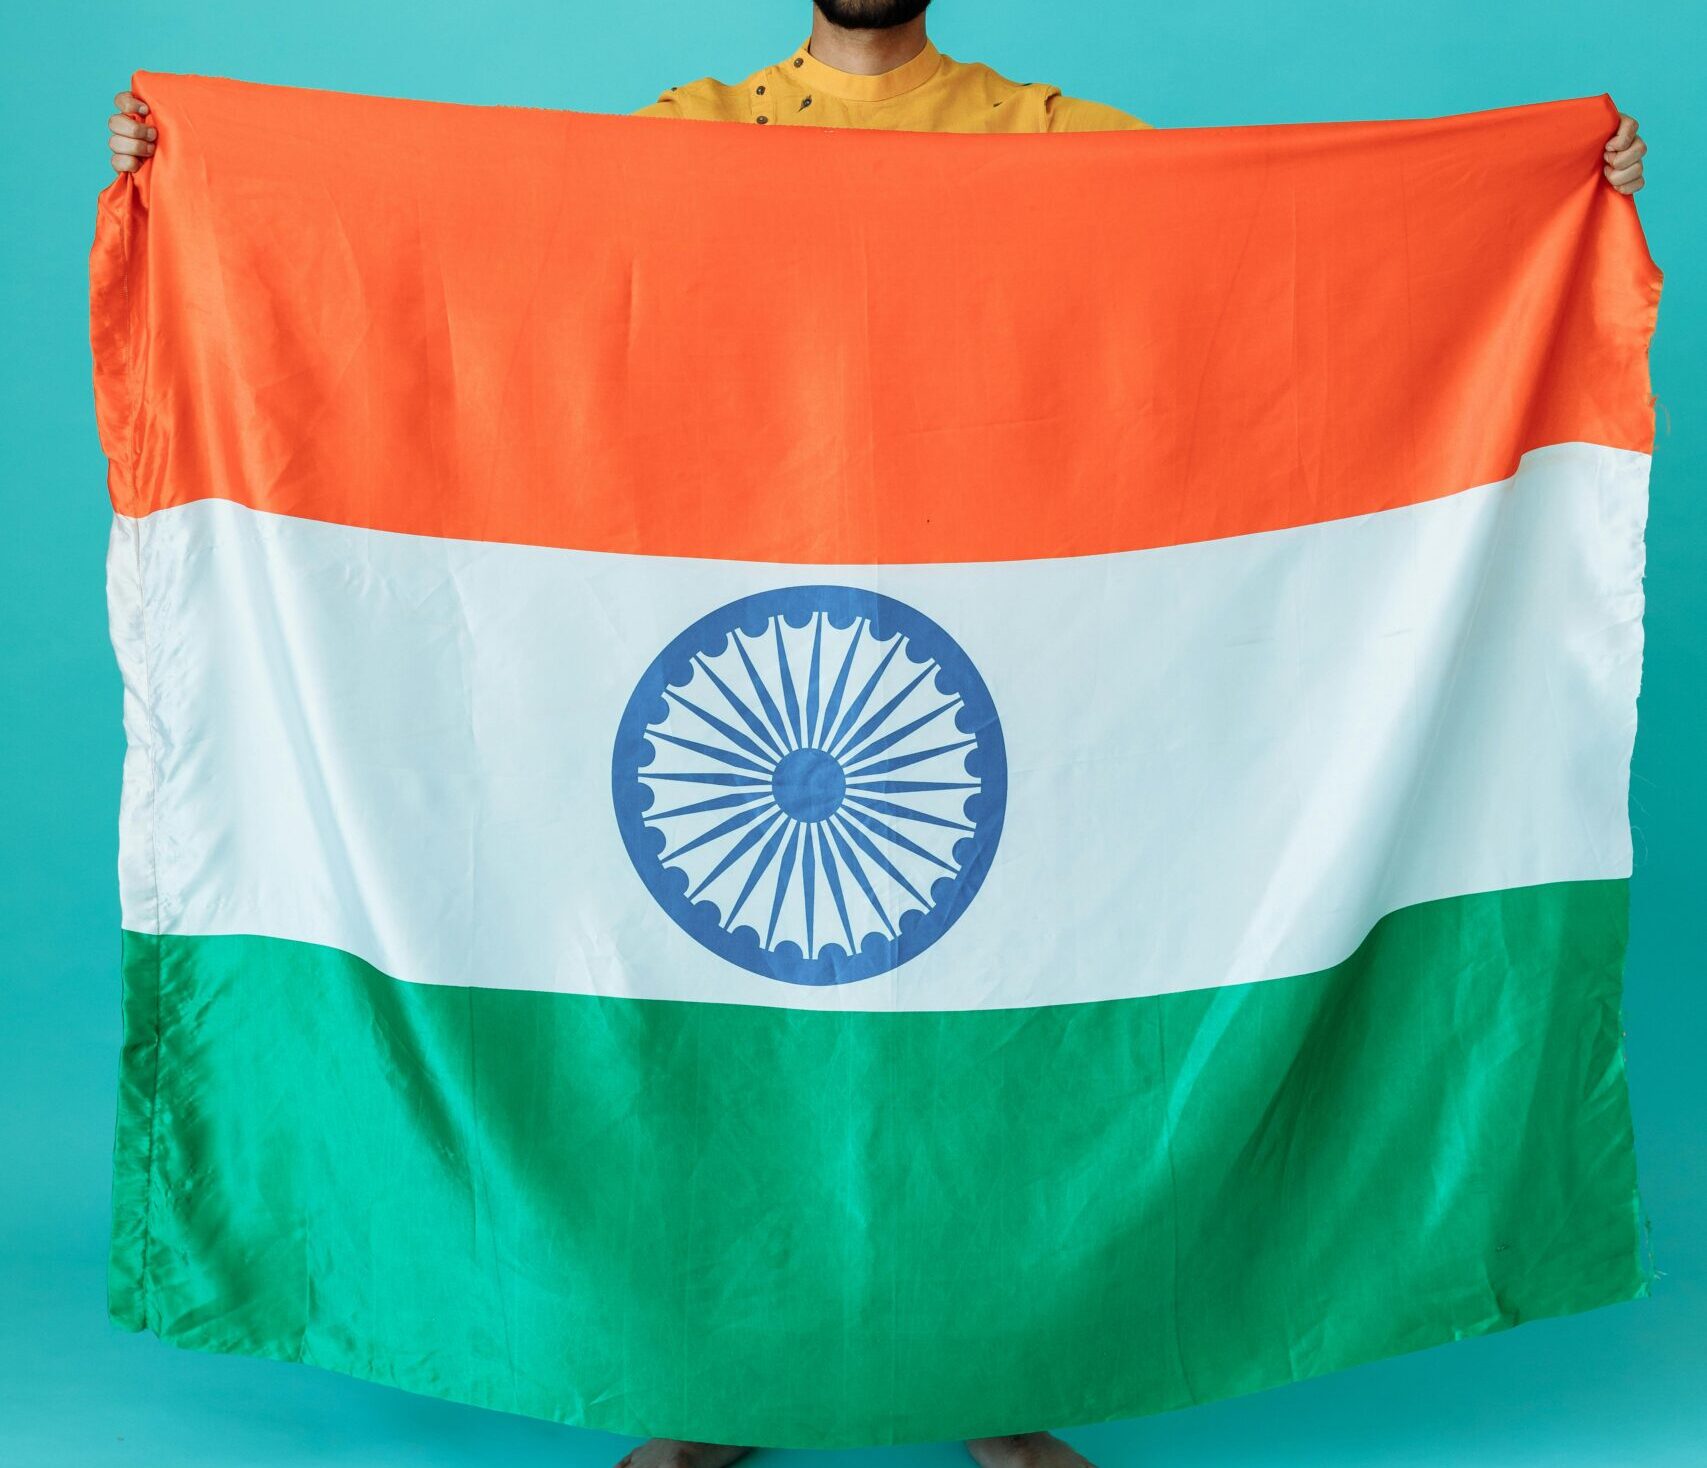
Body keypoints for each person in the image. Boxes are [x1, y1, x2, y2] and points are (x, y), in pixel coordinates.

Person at [102, 3, 1650, 1465]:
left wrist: (1548, 204)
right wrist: (207, 189)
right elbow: (506, 287)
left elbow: (1255, 291)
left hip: (1018, 655)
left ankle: (1011, 1371)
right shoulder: (688, 142)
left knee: (1009, 1029)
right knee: (710, 1032)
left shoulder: (1051, 142)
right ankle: (699, 1376)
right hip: (737, 623)